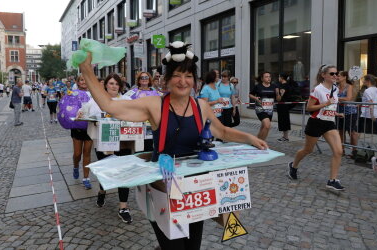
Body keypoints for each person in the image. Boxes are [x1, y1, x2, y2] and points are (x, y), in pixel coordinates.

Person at [79, 41, 267, 250]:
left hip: (195, 188)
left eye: (188, 76)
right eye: (177, 75)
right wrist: (86, 69)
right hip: (163, 187)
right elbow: (110, 106)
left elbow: (222, 131)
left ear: (194, 81)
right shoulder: (155, 105)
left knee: (192, 247)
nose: (183, 81)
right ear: (167, 80)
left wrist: (250, 138)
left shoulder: (200, 106)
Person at [288, 65, 345, 191]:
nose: (335, 76)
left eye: (336, 73)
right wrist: (325, 103)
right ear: (324, 75)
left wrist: (335, 113)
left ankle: (332, 180)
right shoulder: (317, 90)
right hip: (316, 123)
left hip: (329, 123)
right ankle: (293, 165)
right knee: (308, 150)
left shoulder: (335, 89)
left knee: (338, 151)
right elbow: (309, 108)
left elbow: (329, 107)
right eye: (332, 74)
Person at [89, 74, 133, 223]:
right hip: (103, 143)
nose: (114, 86)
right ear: (105, 85)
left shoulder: (126, 101)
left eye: (116, 84)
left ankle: (123, 207)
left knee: (123, 174)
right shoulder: (97, 101)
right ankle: (102, 190)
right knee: (106, 172)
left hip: (124, 142)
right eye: (111, 83)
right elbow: (90, 118)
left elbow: (134, 117)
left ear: (120, 86)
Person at [71, 75, 94, 189]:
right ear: (78, 82)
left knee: (87, 153)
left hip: (89, 126)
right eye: (81, 80)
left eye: (85, 79)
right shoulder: (74, 94)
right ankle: (75, 166)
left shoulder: (93, 94)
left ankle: (86, 178)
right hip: (77, 127)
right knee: (77, 154)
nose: (84, 81)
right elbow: (69, 107)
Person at [358, 74, 377, 149]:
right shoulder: (376, 89)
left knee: (357, 130)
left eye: (364, 80)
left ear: (368, 81)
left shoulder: (367, 91)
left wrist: (372, 115)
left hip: (368, 114)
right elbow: (376, 101)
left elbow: (371, 103)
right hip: (375, 113)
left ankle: (354, 146)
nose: (363, 82)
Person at [249, 72, 278, 140]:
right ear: (262, 79)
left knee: (264, 127)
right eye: (266, 76)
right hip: (260, 108)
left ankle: (256, 141)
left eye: (269, 76)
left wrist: (278, 93)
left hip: (269, 110)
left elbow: (278, 99)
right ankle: (262, 143)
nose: (269, 78)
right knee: (267, 125)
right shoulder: (258, 86)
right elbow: (250, 95)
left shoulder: (274, 86)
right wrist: (256, 98)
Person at [336, 71, 358, 157]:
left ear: (344, 77)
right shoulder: (336, 87)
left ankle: (354, 151)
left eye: (339, 76)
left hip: (350, 112)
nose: (337, 77)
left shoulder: (349, 86)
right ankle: (342, 150)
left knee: (351, 132)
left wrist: (337, 98)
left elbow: (348, 98)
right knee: (341, 131)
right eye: (337, 76)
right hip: (339, 111)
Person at [276, 73, 293, 141]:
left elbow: (280, 97)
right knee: (284, 120)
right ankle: (285, 136)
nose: (278, 78)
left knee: (284, 120)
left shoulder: (283, 86)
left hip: (283, 106)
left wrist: (277, 93)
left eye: (279, 77)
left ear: (282, 78)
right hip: (283, 105)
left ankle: (285, 137)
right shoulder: (287, 85)